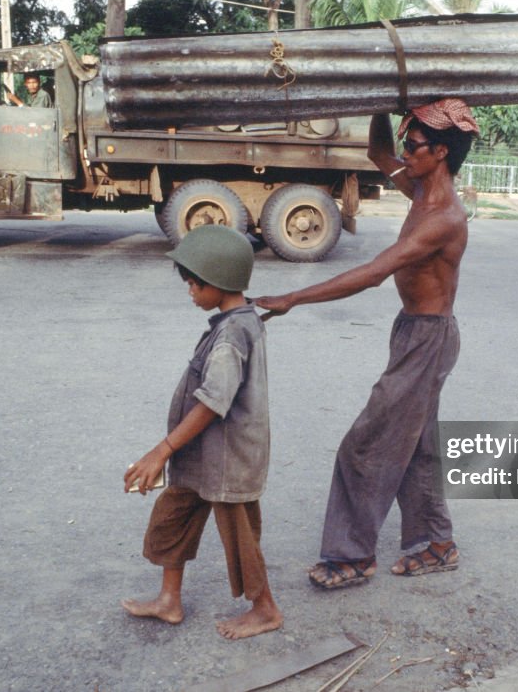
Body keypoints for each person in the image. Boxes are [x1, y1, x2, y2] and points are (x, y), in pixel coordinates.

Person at [256, 99, 479, 589]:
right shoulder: (419, 187)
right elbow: (378, 149)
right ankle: (437, 545)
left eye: (415, 145)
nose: (406, 150)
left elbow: (375, 273)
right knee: (418, 448)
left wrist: (295, 296)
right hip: (414, 332)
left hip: (428, 339)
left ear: (440, 151)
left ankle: (353, 556)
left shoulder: (443, 217)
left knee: (366, 446)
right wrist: (380, 98)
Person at [122, 224, 282, 639]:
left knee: (240, 538)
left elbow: (213, 402)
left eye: (194, 284)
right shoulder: (235, 319)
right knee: (172, 519)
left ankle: (265, 610)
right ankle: (168, 601)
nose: (190, 291)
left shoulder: (232, 335)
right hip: (199, 456)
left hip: (228, 460)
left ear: (219, 283)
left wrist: (161, 450)